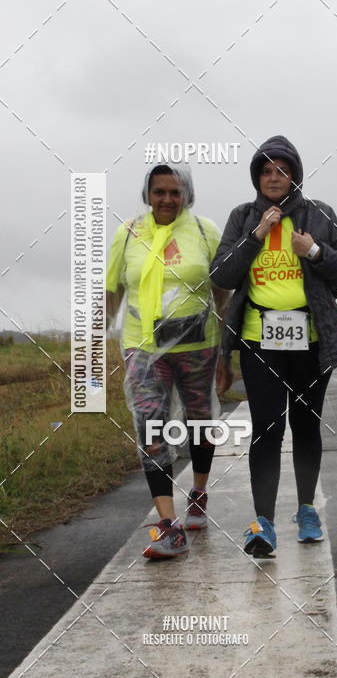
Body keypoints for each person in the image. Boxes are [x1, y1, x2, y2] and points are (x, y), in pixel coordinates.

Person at [210, 136, 337, 557]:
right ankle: (263, 523)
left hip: (311, 341)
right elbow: (221, 275)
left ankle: (307, 510)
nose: (273, 177)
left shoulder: (320, 214)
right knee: (267, 429)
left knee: (306, 426)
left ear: (294, 174)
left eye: (282, 170)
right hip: (260, 342)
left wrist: (314, 251)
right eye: (265, 170)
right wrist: (256, 235)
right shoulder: (243, 217)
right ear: (256, 177)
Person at [106, 165, 231, 559]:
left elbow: (221, 290)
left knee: (200, 421)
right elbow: (113, 290)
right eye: (159, 191)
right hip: (143, 346)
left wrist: (225, 346)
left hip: (198, 344)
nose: (166, 199)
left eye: (175, 192)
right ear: (147, 194)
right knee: (150, 426)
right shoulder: (128, 233)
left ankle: (199, 491)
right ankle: (168, 525)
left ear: (187, 195)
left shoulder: (205, 231)